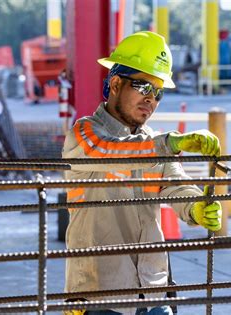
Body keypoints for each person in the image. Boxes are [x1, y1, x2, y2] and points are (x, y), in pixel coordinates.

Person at [62, 31, 222, 315]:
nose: (151, 99)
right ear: (115, 84)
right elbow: (108, 152)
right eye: (143, 87)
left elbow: (177, 185)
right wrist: (170, 144)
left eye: (158, 92)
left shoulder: (154, 142)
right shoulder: (84, 133)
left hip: (152, 287)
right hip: (101, 291)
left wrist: (196, 207)